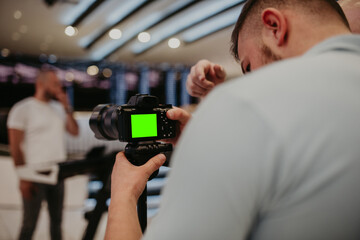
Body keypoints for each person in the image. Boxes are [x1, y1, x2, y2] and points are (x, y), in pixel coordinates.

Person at [106, 0, 360, 239]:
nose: (251, 79)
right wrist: (212, 144)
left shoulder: (244, 103)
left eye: (248, 67)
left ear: (274, 26)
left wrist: (123, 195)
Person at [7, 68, 79, 240]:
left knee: (57, 223)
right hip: (34, 175)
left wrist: (67, 107)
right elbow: (16, 148)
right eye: (54, 84)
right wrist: (23, 178)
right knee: (29, 224)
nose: (58, 87)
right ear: (40, 83)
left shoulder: (58, 108)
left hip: (58, 173)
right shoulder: (22, 109)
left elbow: (74, 131)